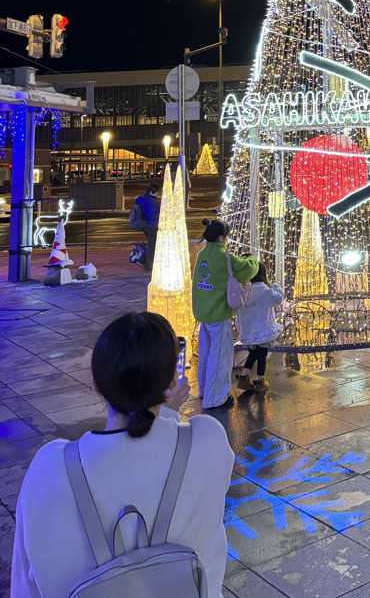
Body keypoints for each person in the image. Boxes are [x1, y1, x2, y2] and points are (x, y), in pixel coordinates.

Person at [11, 312, 233, 597]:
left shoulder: (50, 470)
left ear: (95, 381)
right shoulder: (207, 442)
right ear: (171, 381)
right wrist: (167, 413)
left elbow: (24, 583)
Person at [192, 219, 259, 409]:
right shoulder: (224, 256)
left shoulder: (203, 253)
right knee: (220, 358)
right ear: (222, 237)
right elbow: (248, 270)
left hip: (204, 312)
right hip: (219, 314)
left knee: (206, 355)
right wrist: (253, 259)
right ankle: (215, 399)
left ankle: (204, 391)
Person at [234, 262, 284, 391]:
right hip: (262, 332)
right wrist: (276, 286)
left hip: (249, 332)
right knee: (262, 356)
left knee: (252, 354)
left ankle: (244, 377)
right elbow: (278, 298)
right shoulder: (266, 291)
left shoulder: (245, 291)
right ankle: (260, 381)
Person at [129, 182, 159, 270]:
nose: (157, 194)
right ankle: (149, 265)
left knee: (151, 244)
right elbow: (151, 216)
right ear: (152, 192)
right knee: (152, 246)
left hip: (144, 225)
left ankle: (147, 261)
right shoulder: (150, 201)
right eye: (157, 192)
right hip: (150, 226)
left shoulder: (143, 199)